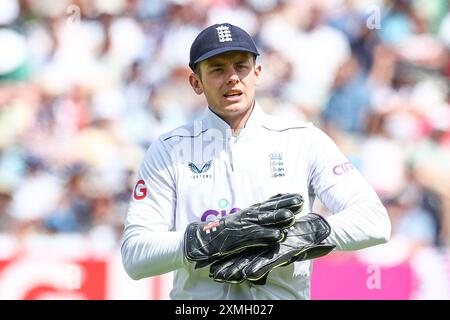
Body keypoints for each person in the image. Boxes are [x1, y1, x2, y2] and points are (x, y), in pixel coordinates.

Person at [121, 23, 391, 300]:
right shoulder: (169, 150)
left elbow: (374, 222)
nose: (232, 78)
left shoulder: (303, 139)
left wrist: (294, 238)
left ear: (257, 74)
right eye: (217, 69)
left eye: (241, 67)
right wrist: (217, 235)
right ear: (195, 83)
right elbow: (135, 256)